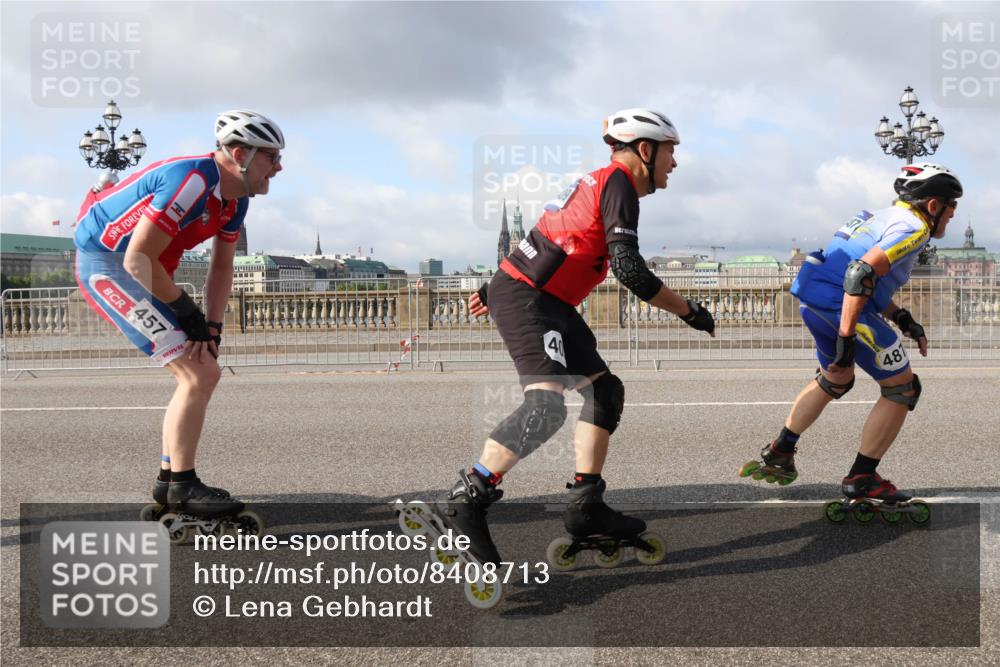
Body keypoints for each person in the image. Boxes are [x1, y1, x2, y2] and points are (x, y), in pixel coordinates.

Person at [437, 108, 716, 565]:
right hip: (531, 298)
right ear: (645, 150)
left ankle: (586, 505)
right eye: (670, 151)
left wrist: (493, 283)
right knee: (545, 407)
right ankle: (468, 498)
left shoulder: (600, 181)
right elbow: (630, 270)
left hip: (547, 299)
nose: (674, 163)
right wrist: (690, 311)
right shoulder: (619, 185)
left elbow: (551, 234)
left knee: (605, 389)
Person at [73, 110, 284, 519]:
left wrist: (214, 328)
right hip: (110, 267)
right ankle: (182, 485)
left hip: (149, 269)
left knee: (203, 367)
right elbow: (136, 261)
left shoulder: (234, 201)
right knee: (198, 373)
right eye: (271, 157)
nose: (278, 167)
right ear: (239, 154)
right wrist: (190, 315)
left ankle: (170, 480)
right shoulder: (191, 181)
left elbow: (221, 269)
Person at [740, 163, 962, 508]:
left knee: (837, 379)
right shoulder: (915, 226)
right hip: (839, 305)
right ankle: (863, 478)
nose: (951, 218)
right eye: (951, 209)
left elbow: (865, 278)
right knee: (902, 388)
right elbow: (859, 274)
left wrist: (901, 317)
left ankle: (782, 448)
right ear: (934, 206)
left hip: (815, 300)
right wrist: (846, 338)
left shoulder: (880, 217)